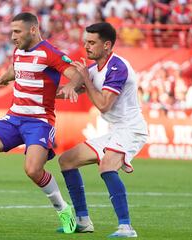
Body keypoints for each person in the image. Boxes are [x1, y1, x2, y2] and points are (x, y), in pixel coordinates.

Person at [0, 12, 83, 233]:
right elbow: (17, 68)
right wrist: (5, 77)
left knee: (33, 170)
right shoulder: (19, 51)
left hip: (40, 121)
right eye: (11, 31)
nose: (13, 36)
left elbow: (76, 73)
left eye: (17, 31)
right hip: (14, 117)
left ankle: (63, 209)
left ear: (33, 29)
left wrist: (73, 85)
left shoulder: (50, 53)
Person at [58, 22, 148, 237]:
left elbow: (104, 104)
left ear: (107, 45)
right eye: (85, 42)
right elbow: (66, 90)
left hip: (131, 129)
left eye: (92, 42)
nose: (86, 47)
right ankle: (83, 221)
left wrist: (85, 82)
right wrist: (35, 85)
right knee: (67, 160)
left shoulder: (118, 67)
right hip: (116, 130)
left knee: (107, 166)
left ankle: (126, 227)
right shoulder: (91, 69)